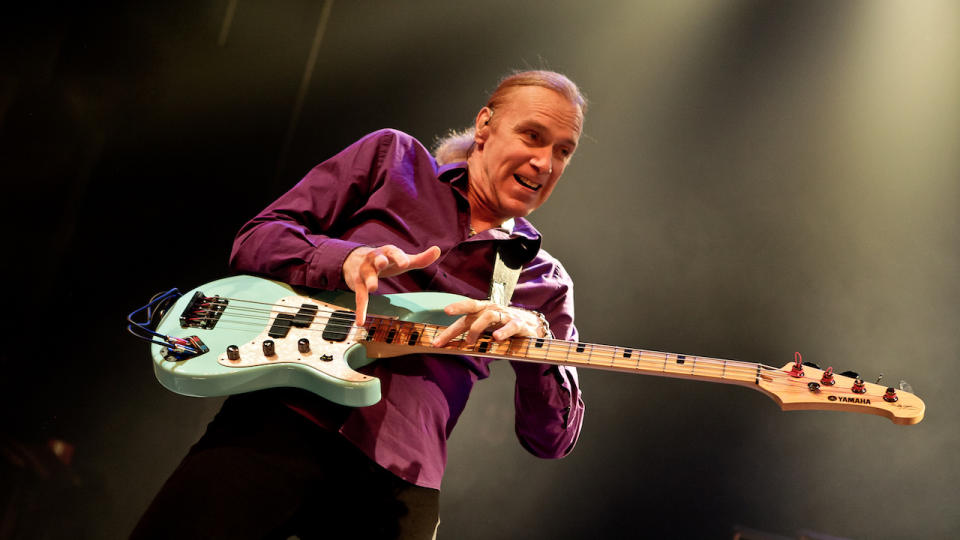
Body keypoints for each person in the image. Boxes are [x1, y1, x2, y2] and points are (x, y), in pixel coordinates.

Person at [131, 70, 587, 540]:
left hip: (397, 486)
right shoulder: (392, 160)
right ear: (485, 125)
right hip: (284, 422)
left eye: (563, 151)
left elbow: (552, 439)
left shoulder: (543, 283)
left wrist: (537, 342)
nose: (545, 162)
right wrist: (344, 258)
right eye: (532, 136)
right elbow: (256, 239)